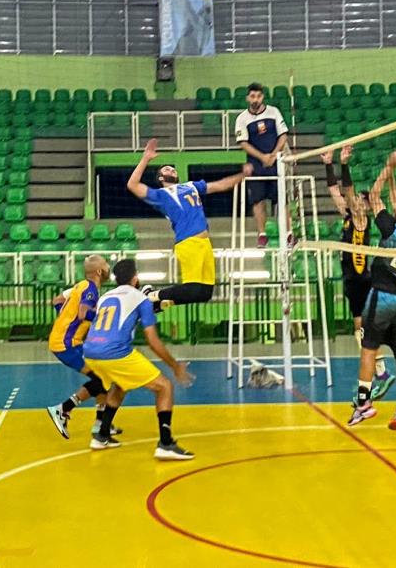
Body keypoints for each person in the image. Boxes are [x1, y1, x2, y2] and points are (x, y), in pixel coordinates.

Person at [83, 258, 196, 460]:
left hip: (90, 351)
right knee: (165, 387)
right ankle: (166, 443)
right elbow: (152, 341)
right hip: (113, 352)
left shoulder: (105, 296)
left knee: (120, 384)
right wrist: (175, 366)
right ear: (135, 278)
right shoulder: (140, 299)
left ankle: (102, 435)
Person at [127, 137, 252, 312]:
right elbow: (132, 185)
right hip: (188, 242)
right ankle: (150, 295)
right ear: (161, 177)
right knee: (192, 287)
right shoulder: (160, 195)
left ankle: (159, 303)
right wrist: (146, 158)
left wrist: (242, 175)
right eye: (166, 168)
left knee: (205, 293)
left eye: (172, 167)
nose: (171, 168)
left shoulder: (191, 186)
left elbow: (219, 185)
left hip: (205, 243)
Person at [348, 151, 396, 430]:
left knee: (368, 349)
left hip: (382, 296)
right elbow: (395, 201)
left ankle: (363, 404)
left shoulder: (389, 229)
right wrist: (395, 176)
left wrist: (388, 167)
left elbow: (377, 196)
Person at [320, 145, 395, 401]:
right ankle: (378, 372)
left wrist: (344, 163)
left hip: (361, 279)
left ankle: (381, 371)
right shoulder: (348, 217)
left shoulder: (361, 221)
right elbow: (334, 191)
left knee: (364, 328)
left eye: (361, 203)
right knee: (359, 328)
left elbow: (349, 192)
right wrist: (328, 164)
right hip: (352, 280)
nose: (356, 203)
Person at [45, 254, 122, 439]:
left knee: (103, 377)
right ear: (99, 271)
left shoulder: (80, 286)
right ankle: (63, 409)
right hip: (66, 344)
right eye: (105, 265)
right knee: (102, 378)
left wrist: (64, 319)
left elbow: (56, 301)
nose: (108, 268)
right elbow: (82, 314)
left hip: (66, 340)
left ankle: (101, 424)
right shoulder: (91, 290)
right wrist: (102, 319)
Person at [235, 83, 289, 248]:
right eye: (252, 96)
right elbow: (243, 143)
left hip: (275, 163)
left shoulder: (273, 112)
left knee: (281, 201)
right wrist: (262, 157)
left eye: (258, 96)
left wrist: (273, 155)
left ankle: (288, 234)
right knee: (258, 200)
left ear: (262, 97)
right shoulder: (242, 118)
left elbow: (283, 136)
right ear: (247, 98)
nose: (255, 99)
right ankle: (262, 234)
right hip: (256, 165)